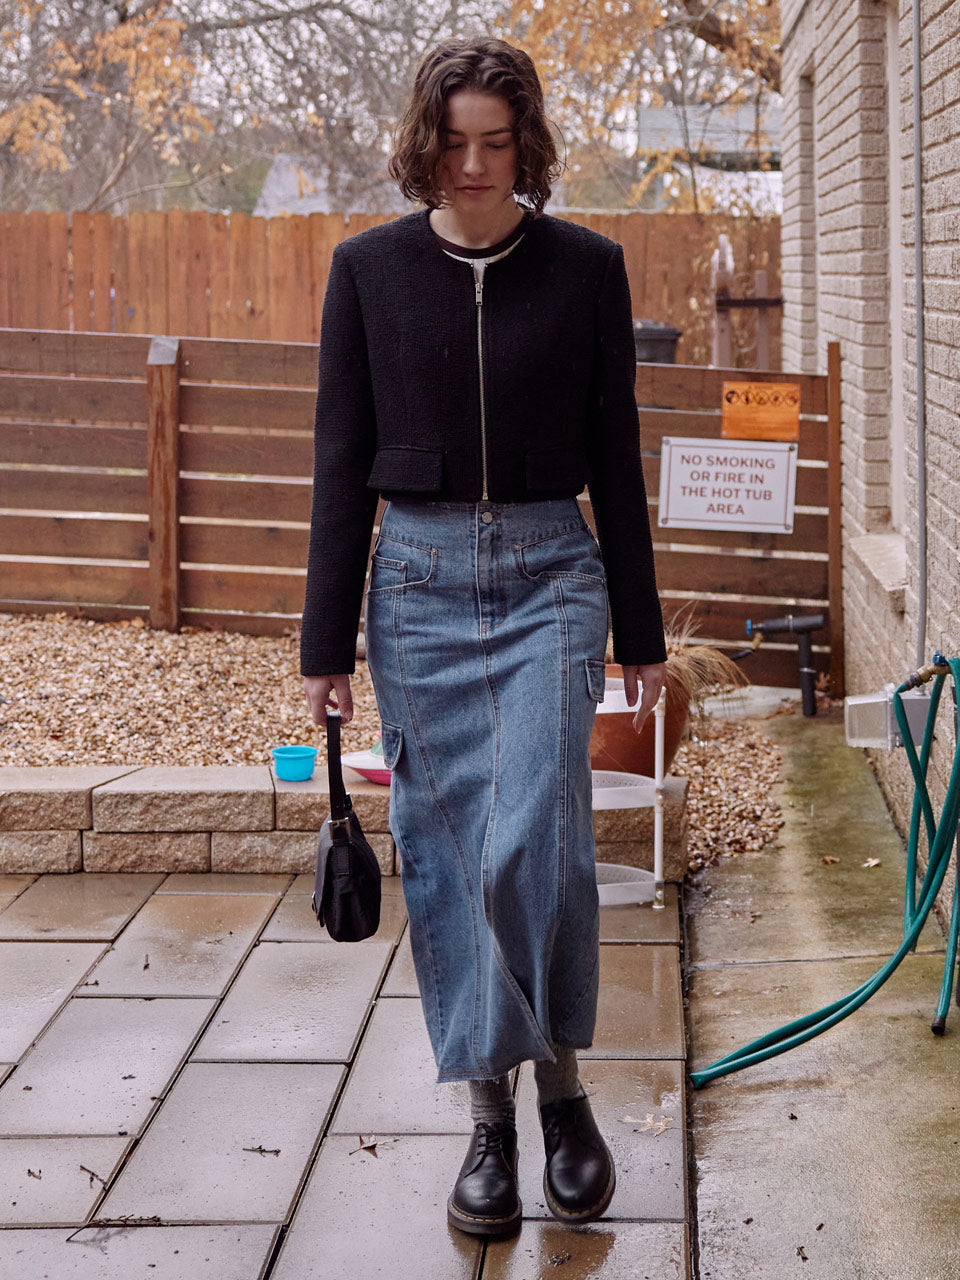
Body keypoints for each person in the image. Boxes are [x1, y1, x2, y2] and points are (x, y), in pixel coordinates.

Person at [300, 35, 666, 1238]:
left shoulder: (586, 269)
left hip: (554, 574)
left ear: (528, 145)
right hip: (416, 584)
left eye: (495, 143)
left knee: (534, 830)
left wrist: (645, 630)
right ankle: (495, 1118)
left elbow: (617, 455)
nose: (472, 164)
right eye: (452, 142)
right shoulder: (367, 271)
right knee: (450, 852)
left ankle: (557, 1089)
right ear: (425, 142)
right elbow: (340, 468)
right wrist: (322, 648)